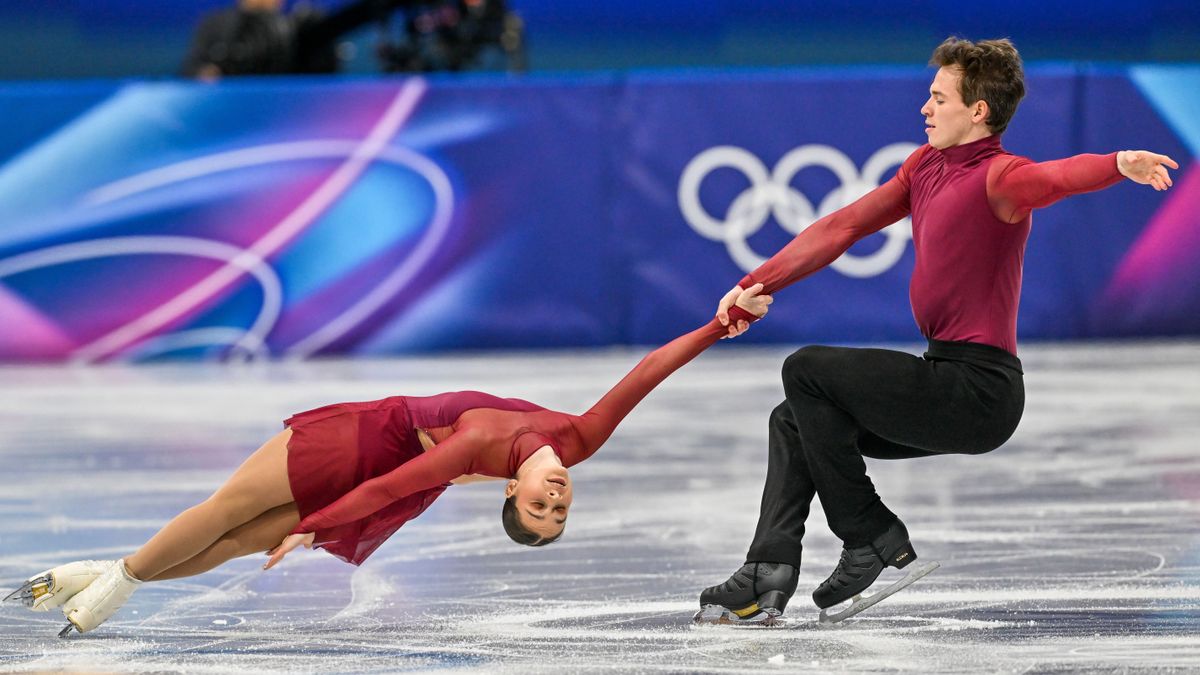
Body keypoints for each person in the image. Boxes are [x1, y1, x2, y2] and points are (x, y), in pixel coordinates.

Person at [697, 36, 1178, 623]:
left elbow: (1056, 178)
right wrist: (759, 282)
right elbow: (843, 226)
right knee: (794, 418)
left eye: (937, 97)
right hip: (942, 374)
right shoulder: (924, 167)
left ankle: (870, 533)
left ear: (977, 111)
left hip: (979, 392)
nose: (925, 108)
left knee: (807, 369)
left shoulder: (1000, 177)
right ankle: (767, 571)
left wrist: (1116, 164)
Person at [7, 289, 771, 635]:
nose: (557, 497)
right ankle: (111, 583)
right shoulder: (580, 437)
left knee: (241, 539)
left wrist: (318, 527)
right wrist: (717, 323)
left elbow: (394, 484)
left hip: (383, 464)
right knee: (229, 514)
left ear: (513, 489)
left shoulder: (479, 451)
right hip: (366, 438)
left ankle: (109, 575)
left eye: (542, 508)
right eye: (559, 507)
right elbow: (646, 373)